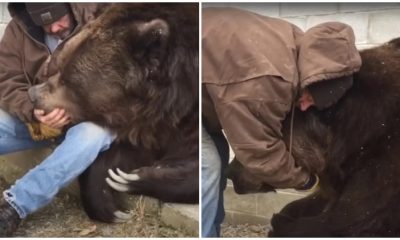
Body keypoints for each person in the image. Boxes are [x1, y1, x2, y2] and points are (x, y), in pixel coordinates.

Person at [201, 7, 361, 237]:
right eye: (309, 97)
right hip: (165, 83)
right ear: (311, 78)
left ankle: (212, 228)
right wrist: (305, 181)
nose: (304, 106)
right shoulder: (265, 81)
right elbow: (259, 152)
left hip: (195, 71)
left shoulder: (297, 43)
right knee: (208, 166)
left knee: (217, 153)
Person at [0, 3, 115, 236]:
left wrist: (72, 113)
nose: (53, 27)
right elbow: (6, 81)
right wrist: (33, 111)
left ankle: (15, 206)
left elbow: (118, 89)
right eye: (45, 22)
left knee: (95, 135)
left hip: (86, 122)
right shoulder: (17, 30)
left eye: (59, 19)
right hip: (37, 122)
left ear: (71, 6)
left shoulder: (101, 24)